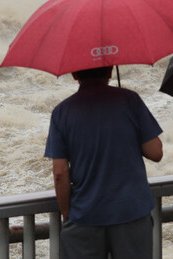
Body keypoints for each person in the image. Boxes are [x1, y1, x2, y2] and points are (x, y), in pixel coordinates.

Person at [44, 65, 164, 259]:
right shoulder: (129, 100)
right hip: (131, 211)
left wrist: (68, 213)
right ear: (109, 71)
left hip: (85, 215)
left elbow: (60, 173)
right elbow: (156, 152)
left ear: (74, 74)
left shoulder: (61, 112)